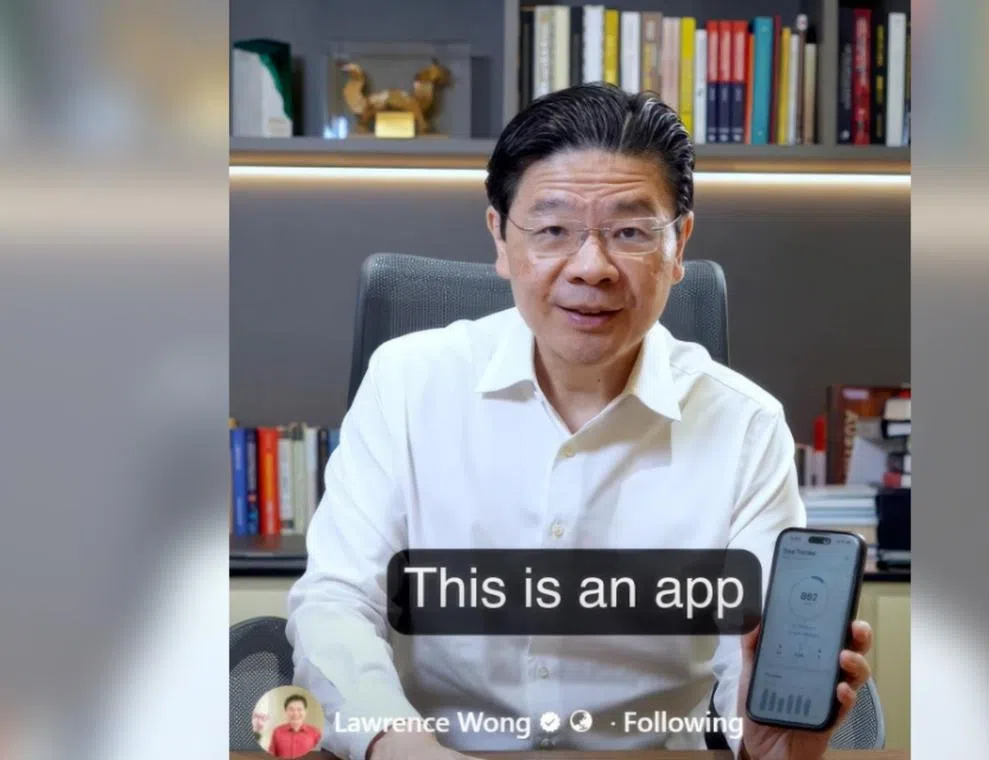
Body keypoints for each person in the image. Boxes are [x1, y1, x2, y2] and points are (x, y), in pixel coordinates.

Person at [285, 82, 873, 760]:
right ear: (500, 237)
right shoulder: (407, 384)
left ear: (679, 244)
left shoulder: (746, 426)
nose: (592, 268)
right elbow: (336, 605)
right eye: (553, 230)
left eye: (630, 232)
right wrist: (401, 747)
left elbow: (752, 655)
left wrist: (766, 740)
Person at [266, 693, 322, 758]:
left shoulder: (315, 733)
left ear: (305, 711)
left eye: (299, 709)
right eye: (291, 709)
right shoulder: (277, 731)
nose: (295, 713)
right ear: (286, 711)